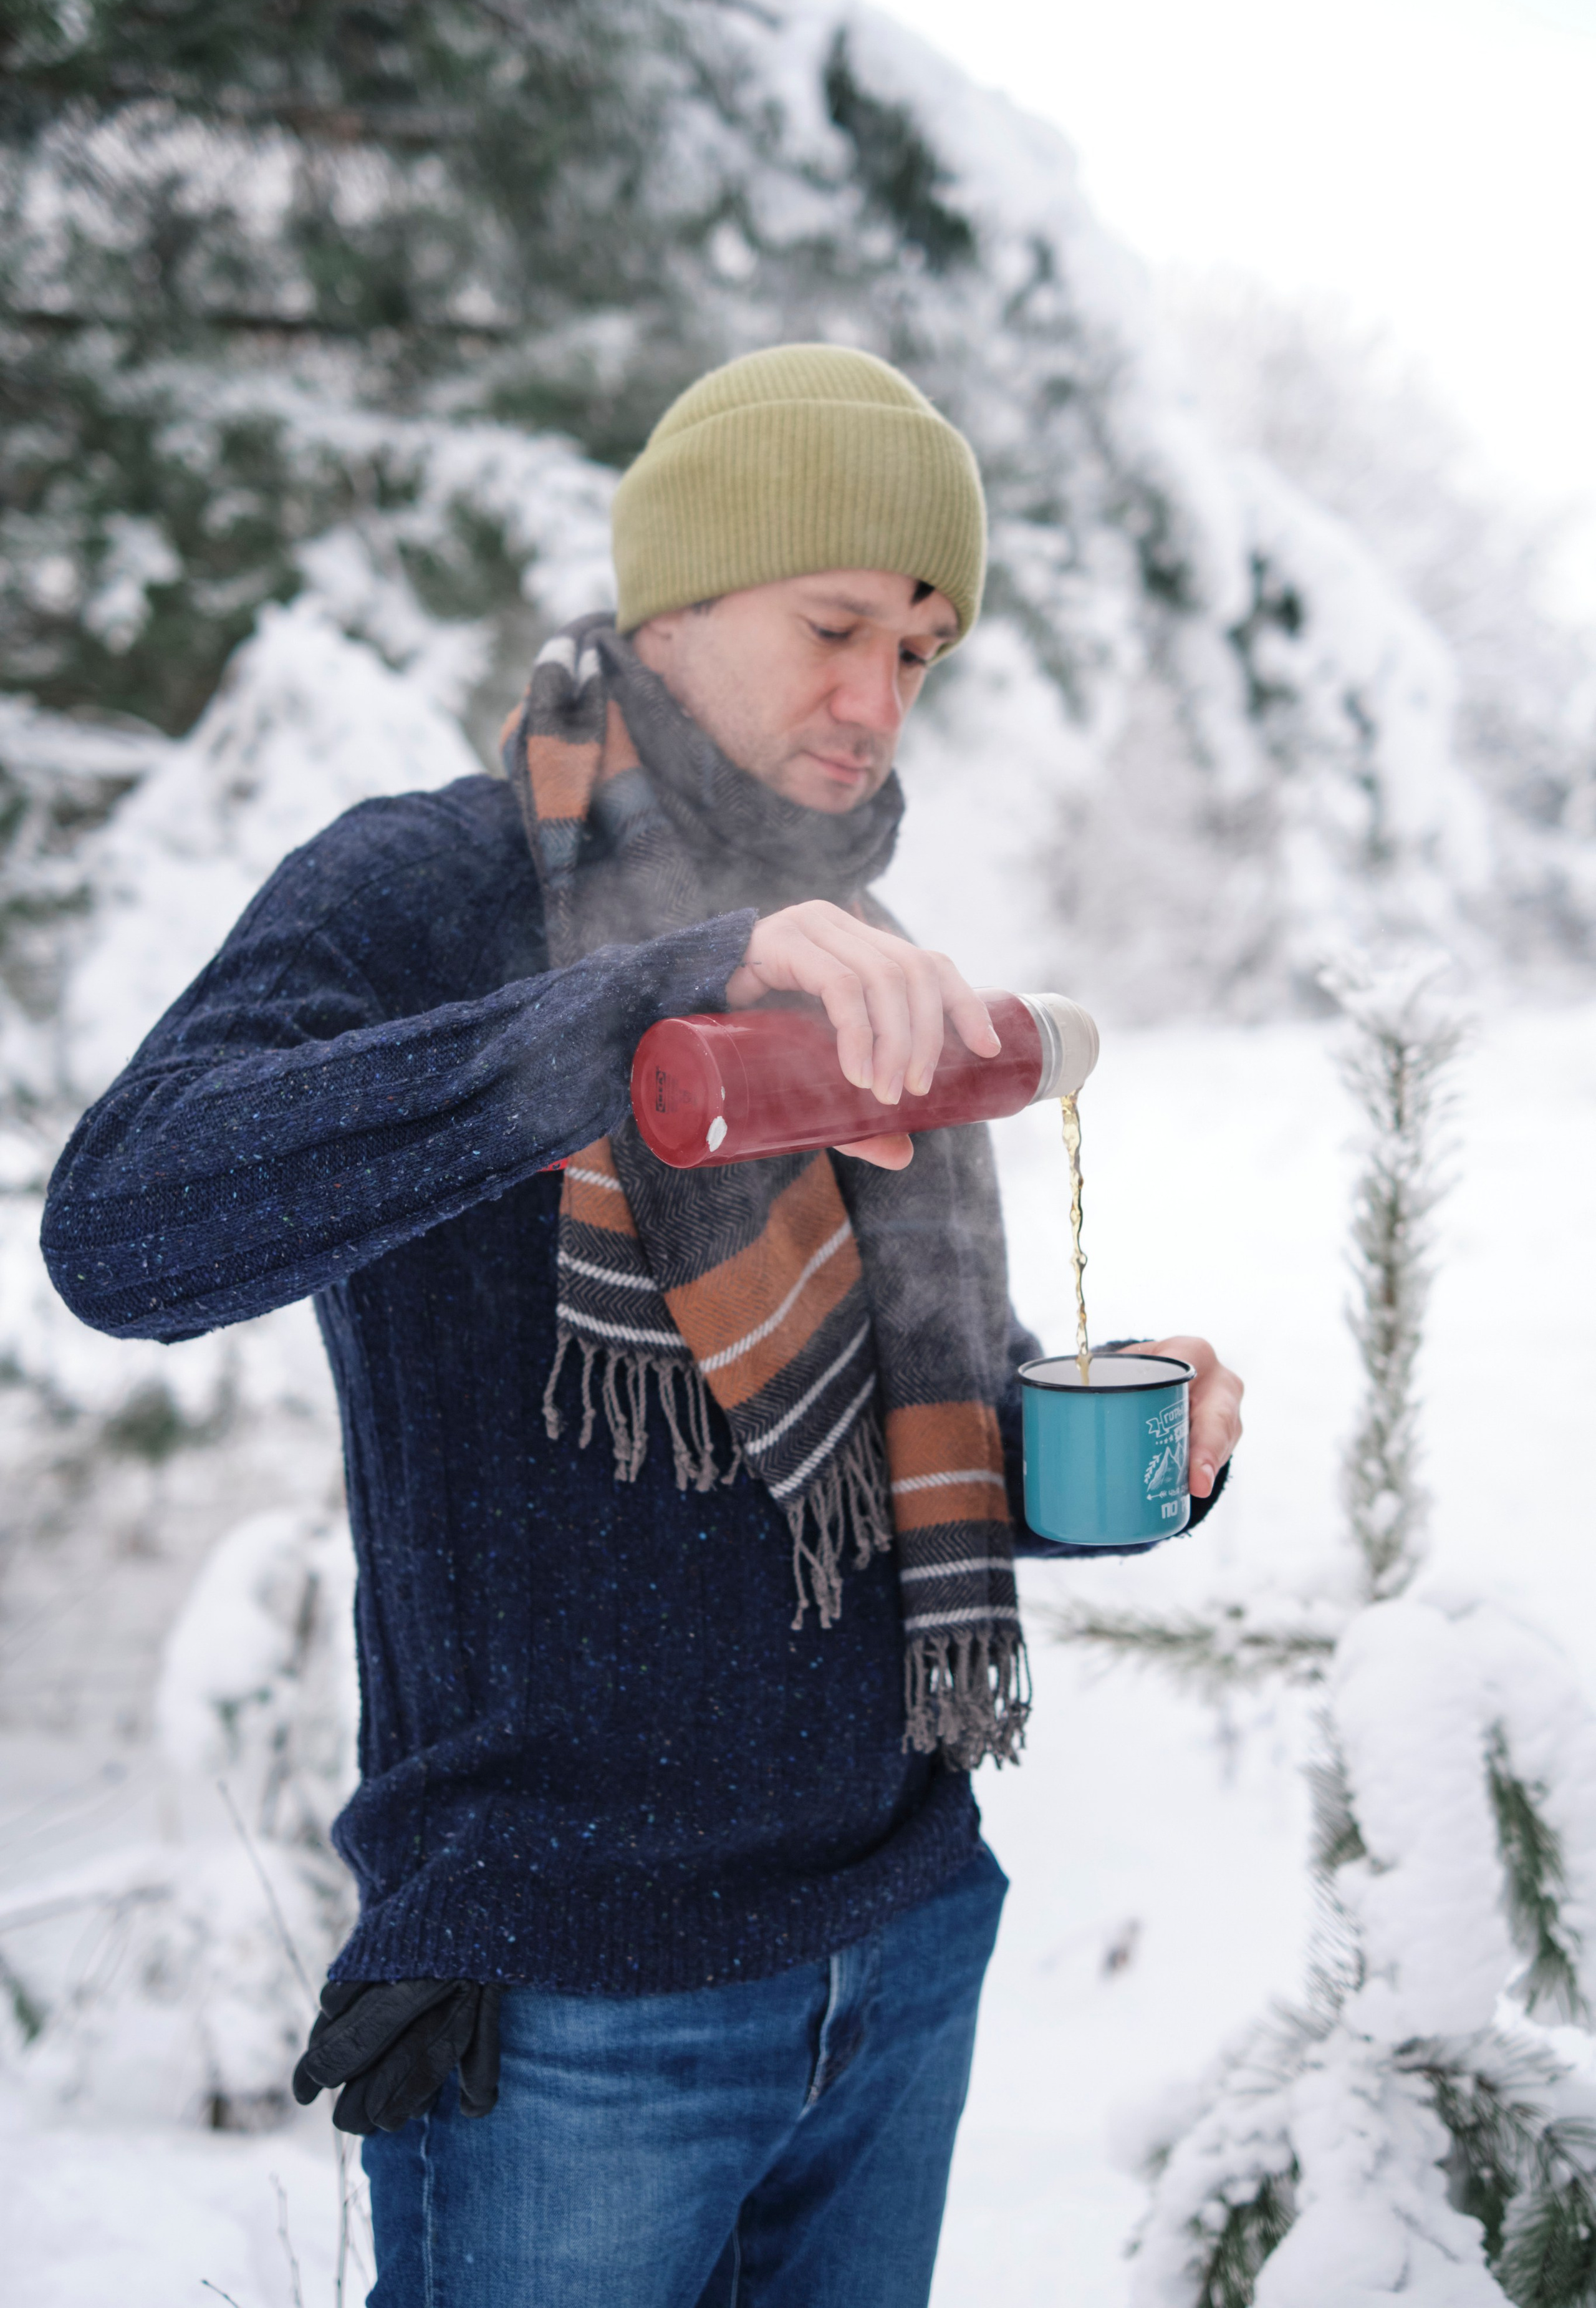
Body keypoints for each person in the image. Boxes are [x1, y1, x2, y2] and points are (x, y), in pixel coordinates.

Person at [42, 344, 1244, 2307]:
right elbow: (129, 1228)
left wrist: (1128, 1444)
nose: (881, 699)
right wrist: (641, 1007)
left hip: (903, 1935)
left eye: (924, 650)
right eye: (837, 624)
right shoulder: (427, 889)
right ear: (674, 601)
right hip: (574, 2000)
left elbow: (873, 1440)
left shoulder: (857, 953)